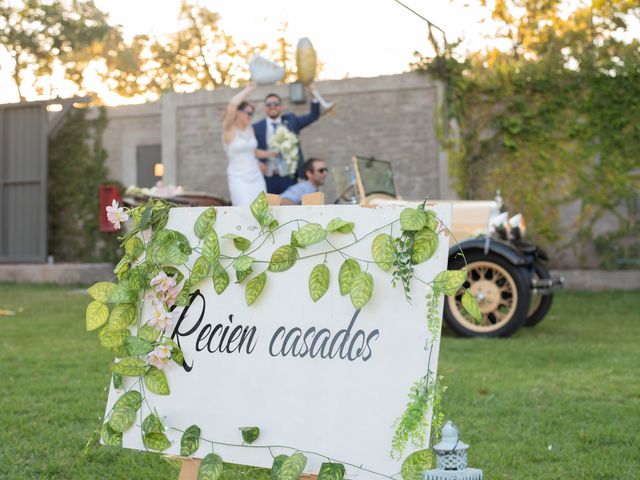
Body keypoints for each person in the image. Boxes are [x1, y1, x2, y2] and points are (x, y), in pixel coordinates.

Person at [253, 88, 321, 195]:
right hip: (267, 177)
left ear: (281, 106)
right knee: (269, 209)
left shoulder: (291, 120)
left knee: (290, 209)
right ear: (264, 108)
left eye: (276, 104)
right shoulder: (256, 127)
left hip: (288, 177)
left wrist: (314, 97)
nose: (272, 107)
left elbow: (313, 116)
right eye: (269, 104)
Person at [222, 83, 274, 206]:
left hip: (256, 175)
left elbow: (254, 152)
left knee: (261, 209)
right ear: (238, 113)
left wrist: (273, 153)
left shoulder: (250, 129)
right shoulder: (229, 130)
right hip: (238, 177)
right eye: (248, 113)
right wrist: (247, 90)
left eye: (252, 114)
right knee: (244, 209)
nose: (250, 116)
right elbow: (232, 105)